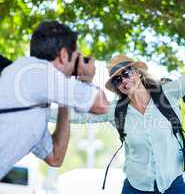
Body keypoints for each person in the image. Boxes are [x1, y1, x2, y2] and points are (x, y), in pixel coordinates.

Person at [54, 19, 185, 193]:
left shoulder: (168, 93)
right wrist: (37, 111)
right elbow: (79, 116)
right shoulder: (116, 111)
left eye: (126, 73)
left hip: (172, 184)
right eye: (118, 80)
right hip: (136, 187)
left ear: (137, 72)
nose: (124, 81)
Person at [0, 20, 109, 178]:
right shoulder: (35, 71)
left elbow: (55, 157)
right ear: (64, 55)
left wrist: (66, 102)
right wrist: (86, 78)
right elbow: (101, 105)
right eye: (76, 56)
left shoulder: (35, 101)